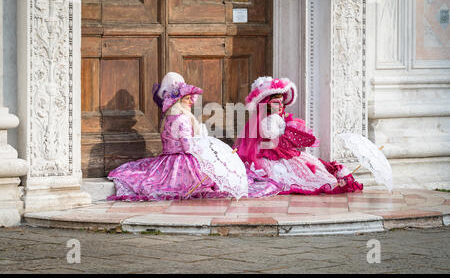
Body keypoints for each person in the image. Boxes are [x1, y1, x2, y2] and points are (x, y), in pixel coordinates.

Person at [107, 72, 281, 201]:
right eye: (188, 98)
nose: (191, 101)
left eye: (191, 98)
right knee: (209, 179)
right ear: (180, 100)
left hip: (167, 160)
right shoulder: (181, 119)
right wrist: (206, 148)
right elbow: (187, 146)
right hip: (180, 162)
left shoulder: (169, 117)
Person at [234, 76, 363, 195]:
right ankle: (331, 181)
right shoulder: (268, 119)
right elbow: (273, 138)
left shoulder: (274, 117)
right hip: (271, 154)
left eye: (281, 102)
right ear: (266, 103)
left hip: (277, 150)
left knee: (312, 164)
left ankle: (331, 179)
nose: (279, 106)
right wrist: (288, 131)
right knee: (303, 170)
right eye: (275, 102)